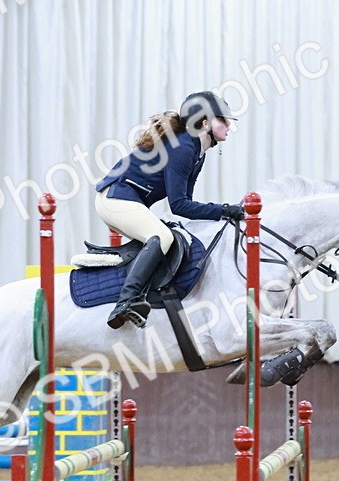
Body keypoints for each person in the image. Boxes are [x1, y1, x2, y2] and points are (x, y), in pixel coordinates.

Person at [94, 90, 246, 329]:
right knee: (162, 237)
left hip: (126, 200)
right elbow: (179, 205)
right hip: (114, 199)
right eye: (223, 120)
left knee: (171, 236)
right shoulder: (183, 148)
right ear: (205, 123)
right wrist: (224, 210)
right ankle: (126, 301)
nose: (229, 126)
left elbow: (186, 203)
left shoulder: (197, 152)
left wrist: (222, 211)